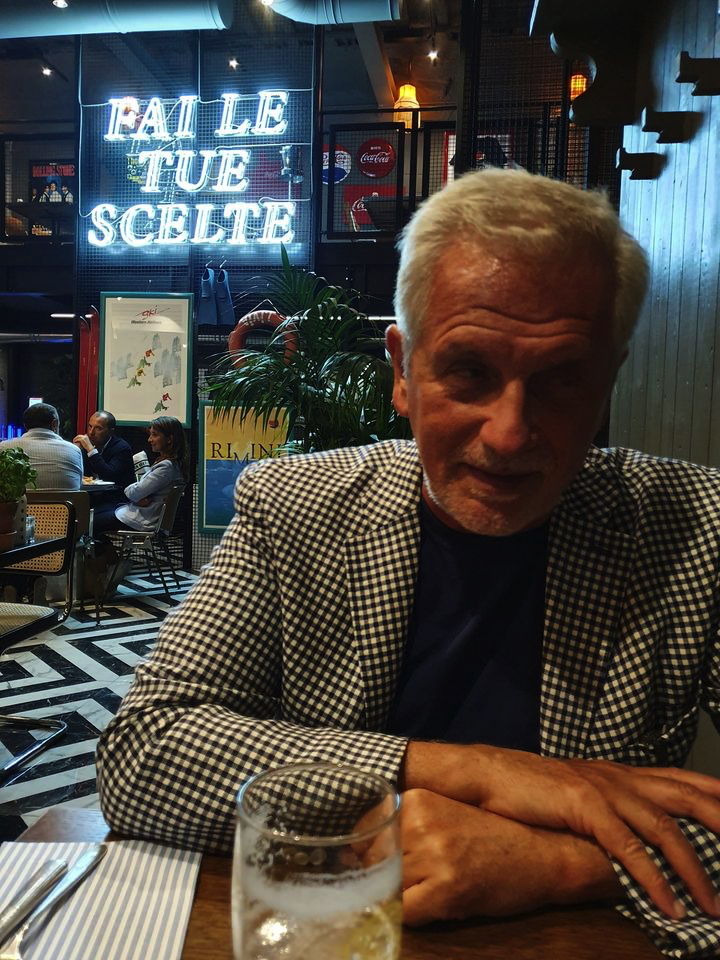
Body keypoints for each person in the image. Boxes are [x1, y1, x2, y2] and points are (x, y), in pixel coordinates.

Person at [96, 169, 720, 957]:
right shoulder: (292, 506)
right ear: (402, 371)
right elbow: (145, 752)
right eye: (469, 371)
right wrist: (475, 771)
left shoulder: (697, 528)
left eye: (562, 380)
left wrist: (569, 863)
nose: (509, 433)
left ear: (608, 381)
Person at [113, 416, 186, 531]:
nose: (149, 439)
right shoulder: (169, 463)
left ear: (169, 439)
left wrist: (130, 491)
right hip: (141, 514)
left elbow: (135, 492)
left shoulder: (166, 467)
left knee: (94, 519)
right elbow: (139, 493)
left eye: (154, 435)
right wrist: (138, 496)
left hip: (143, 520)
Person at [0, 402, 82, 489]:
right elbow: (79, 485)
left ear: (25, 426)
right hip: (66, 499)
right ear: (54, 424)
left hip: (22, 498)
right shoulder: (74, 451)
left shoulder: (4, 448)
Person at [73, 410, 135, 488]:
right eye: (90, 426)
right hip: (92, 493)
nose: (91, 433)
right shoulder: (87, 446)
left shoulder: (122, 448)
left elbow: (108, 475)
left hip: (116, 494)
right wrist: (75, 451)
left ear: (110, 432)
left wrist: (91, 450)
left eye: (98, 428)